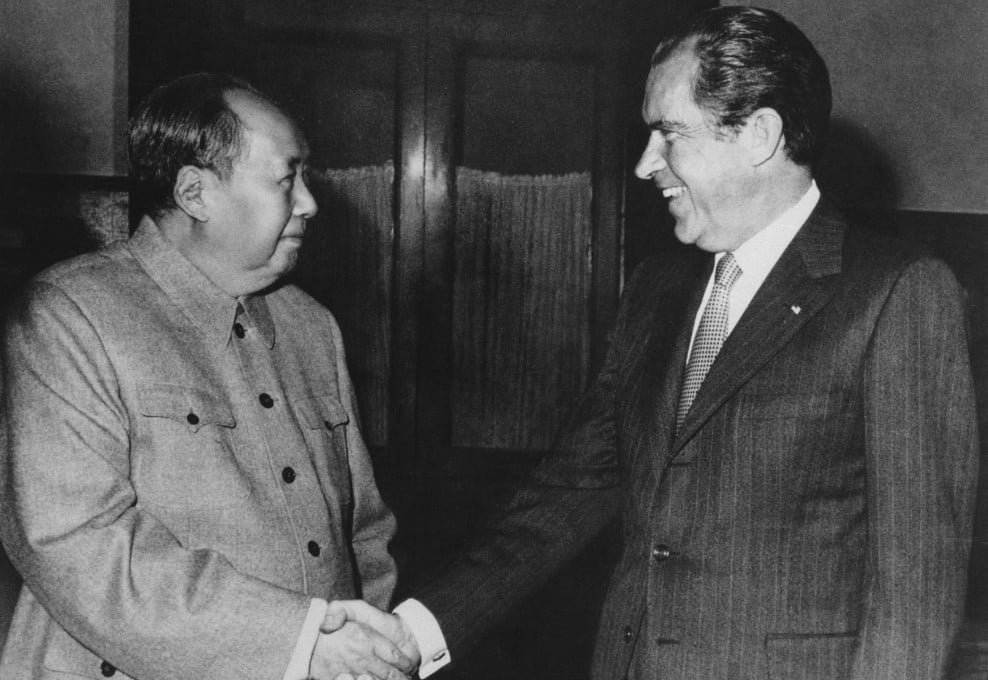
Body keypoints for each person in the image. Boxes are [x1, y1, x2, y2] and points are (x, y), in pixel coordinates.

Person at [324, 6, 980, 679]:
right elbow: (569, 494)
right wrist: (414, 631)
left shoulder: (897, 293)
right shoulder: (657, 289)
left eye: (669, 135)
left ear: (759, 134)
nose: (645, 165)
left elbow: (915, 594)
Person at [0, 73, 419, 680]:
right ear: (195, 193)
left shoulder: (312, 327)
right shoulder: (69, 316)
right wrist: (297, 645)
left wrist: (368, 651)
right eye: (286, 178)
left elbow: (363, 535)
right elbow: (80, 548)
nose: (309, 203)